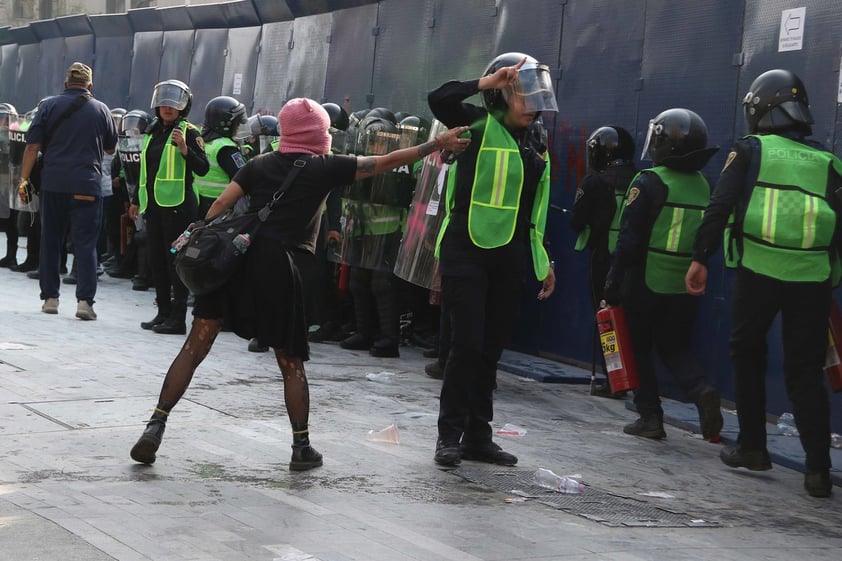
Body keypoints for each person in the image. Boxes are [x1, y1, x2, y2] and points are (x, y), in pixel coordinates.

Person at [129, 97, 470, 471]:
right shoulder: (325, 167)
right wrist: (437, 143)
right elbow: (385, 162)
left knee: (195, 347)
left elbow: (220, 206)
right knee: (290, 361)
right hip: (279, 266)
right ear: (318, 134)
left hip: (236, 259)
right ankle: (301, 448)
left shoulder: (259, 164)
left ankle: (156, 424)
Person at [686, 69, 840, 498]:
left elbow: (720, 205)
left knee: (747, 352)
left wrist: (701, 258)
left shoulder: (751, 150)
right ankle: (818, 473)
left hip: (757, 270)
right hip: (812, 278)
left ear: (760, 110)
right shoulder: (828, 161)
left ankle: (752, 447)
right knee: (805, 370)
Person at [427, 52, 557, 467]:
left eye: (538, 95)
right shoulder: (477, 126)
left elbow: (534, 210)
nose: (534, 104)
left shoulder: (537, 141)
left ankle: (478, 437)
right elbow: (439, 98)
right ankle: (449, 436)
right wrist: (486, 82)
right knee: (464, 346)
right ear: (501, 96)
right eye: (524, 95)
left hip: (511, 254)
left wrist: (542, 261)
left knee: (490, 349)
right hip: (466, 249)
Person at [603, 107, 723, 441]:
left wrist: (612, 281)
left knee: (638, 347)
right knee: (675, 348)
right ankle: (702, 391)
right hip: (685, 285)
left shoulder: (649, 181)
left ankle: (650, 417)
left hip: (645, 281)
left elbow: (628, 239)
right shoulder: (704, 185)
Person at [17, 62, 117, 320]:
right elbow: (110, 149)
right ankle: (85, 302)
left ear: (65, 84)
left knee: (50, 240)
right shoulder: (101, 109)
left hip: (54, 183)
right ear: (90, 86)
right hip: (87, 185)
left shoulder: (48, 106)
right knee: (85, 243)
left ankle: (50, 298)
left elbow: (32, 147)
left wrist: (24, 180)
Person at [128, 79, 209, 335]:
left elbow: (202, 167)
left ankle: (178, 318)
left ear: (184, 105)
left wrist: (186, 150)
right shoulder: (152, 131)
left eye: (173, 103)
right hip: (153, 206)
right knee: (157, 261)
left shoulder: (190, 132)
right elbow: (147, 170)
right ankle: (162, 312)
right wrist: (135, 201)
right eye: (163, 102)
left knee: (175, 262)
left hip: (179, 206)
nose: (167, 107)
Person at [570, 125, 637, 398]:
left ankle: (614, 381)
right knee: (630, 320)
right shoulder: (640, 179)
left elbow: (577, 221)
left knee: (606, 320)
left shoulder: (593, 182)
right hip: (632, 260)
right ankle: (634, 380)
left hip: (602, 259)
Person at [195, 96, 248, 218]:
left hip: (197, 202)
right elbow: (244, 177)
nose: (238, 126)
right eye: (237, 123)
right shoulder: (226, 148)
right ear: (226, 124)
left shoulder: (201, 142)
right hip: (220, 205)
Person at [0, 102, 18, 267]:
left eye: (6, 118)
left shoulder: (16, 136)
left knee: (11, 222)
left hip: (10, 184)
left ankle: (11, 255)